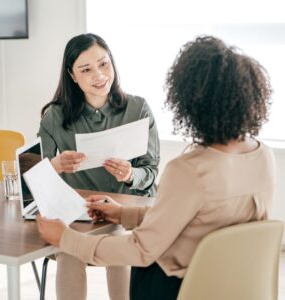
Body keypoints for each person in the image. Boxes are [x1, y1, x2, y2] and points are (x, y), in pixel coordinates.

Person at [37, 36, 275, 300]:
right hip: (233, 287)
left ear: (187, 102)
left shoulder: (188, 170)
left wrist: (65, 239)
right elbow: (192, 219)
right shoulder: (263, 157)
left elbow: (141, 249)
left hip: (179, 288)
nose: (98, 74)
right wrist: (123, 213)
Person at [38, 33, 160, 300]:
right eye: (86, 69)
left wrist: (131, 175)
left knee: (121, 245)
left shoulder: (138, 108)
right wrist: (55, 166)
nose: (99, 74)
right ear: (72, 75)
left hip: (124, 212)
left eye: (104, 64)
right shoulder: (54, 117)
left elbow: (150, 172)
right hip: (78, 215)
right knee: (69, 249)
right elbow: (37, 181)